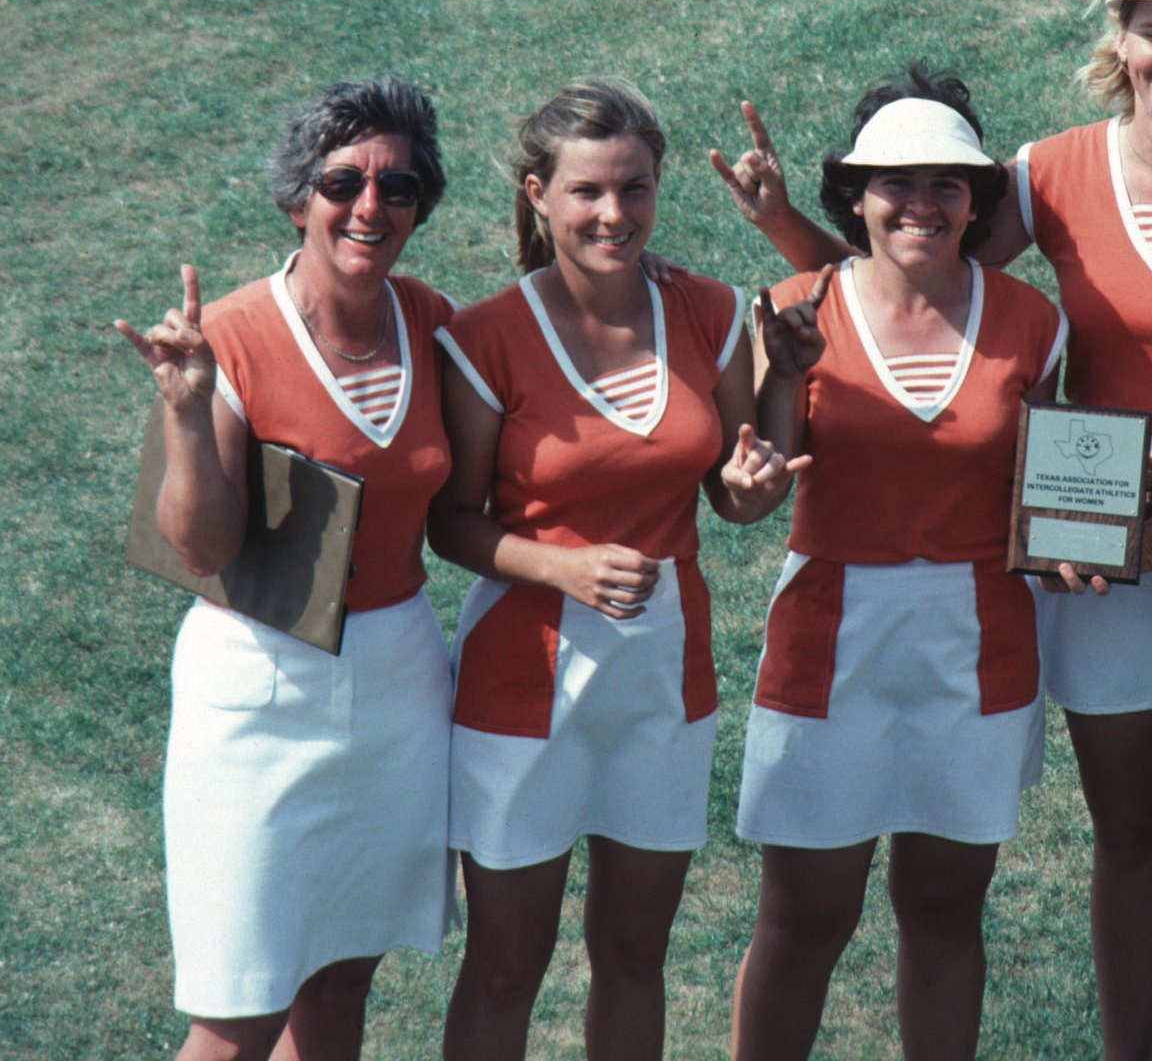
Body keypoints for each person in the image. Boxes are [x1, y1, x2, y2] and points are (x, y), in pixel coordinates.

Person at [715, 0, 1152, 1060]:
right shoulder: (1048, 168)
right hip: (1091, 542)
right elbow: (909, 281)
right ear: (1117, 39)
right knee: (1127, 836)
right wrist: (785, 233)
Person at [427, 80, 800, 1061]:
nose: (614, 214)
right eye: (589, 191)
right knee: (507, 962)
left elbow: (731, 492)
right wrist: (559, 564)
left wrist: (755, 483)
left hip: (662, 682)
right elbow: (451, 521)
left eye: (635, 189)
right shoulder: (485, 335)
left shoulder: (713, 312)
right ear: (537, 193)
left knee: (634, 953)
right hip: (519, 683)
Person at [723, 67, 1067, 1060]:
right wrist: (757, 448)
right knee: (802, 919)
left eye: (945, 183)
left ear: (976, 200)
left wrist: (1082, 548)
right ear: (855, 198)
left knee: (947, 908)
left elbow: (1055, 492)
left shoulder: (1031, 320)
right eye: (895, 183)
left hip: (980, 644)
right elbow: (761, 483)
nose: (920, 203)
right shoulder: (792, 306)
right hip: (829, 642)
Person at [114, 74, 455, 1061]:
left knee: (343, 976)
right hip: (260, 692)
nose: (370, 207)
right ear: (297, 196)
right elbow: (203, 545)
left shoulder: (432, 324)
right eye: (343, 181)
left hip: (398, 681)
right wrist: (186, 411)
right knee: (241, 1010)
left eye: (398, 187)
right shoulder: (228, 334)